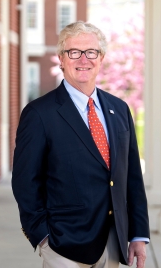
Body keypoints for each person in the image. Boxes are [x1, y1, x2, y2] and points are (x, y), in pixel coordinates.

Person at [12, 21, 149, 268]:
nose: (83, 59)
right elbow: (25, 182)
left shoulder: (119, 109)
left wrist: (138, 234)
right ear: (61, 59)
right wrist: (42, 236)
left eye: (91, 52)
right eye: (74, 52)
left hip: (112, 243)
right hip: (63, 245)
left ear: (101, 58)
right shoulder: (39, 113)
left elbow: (132, 178)